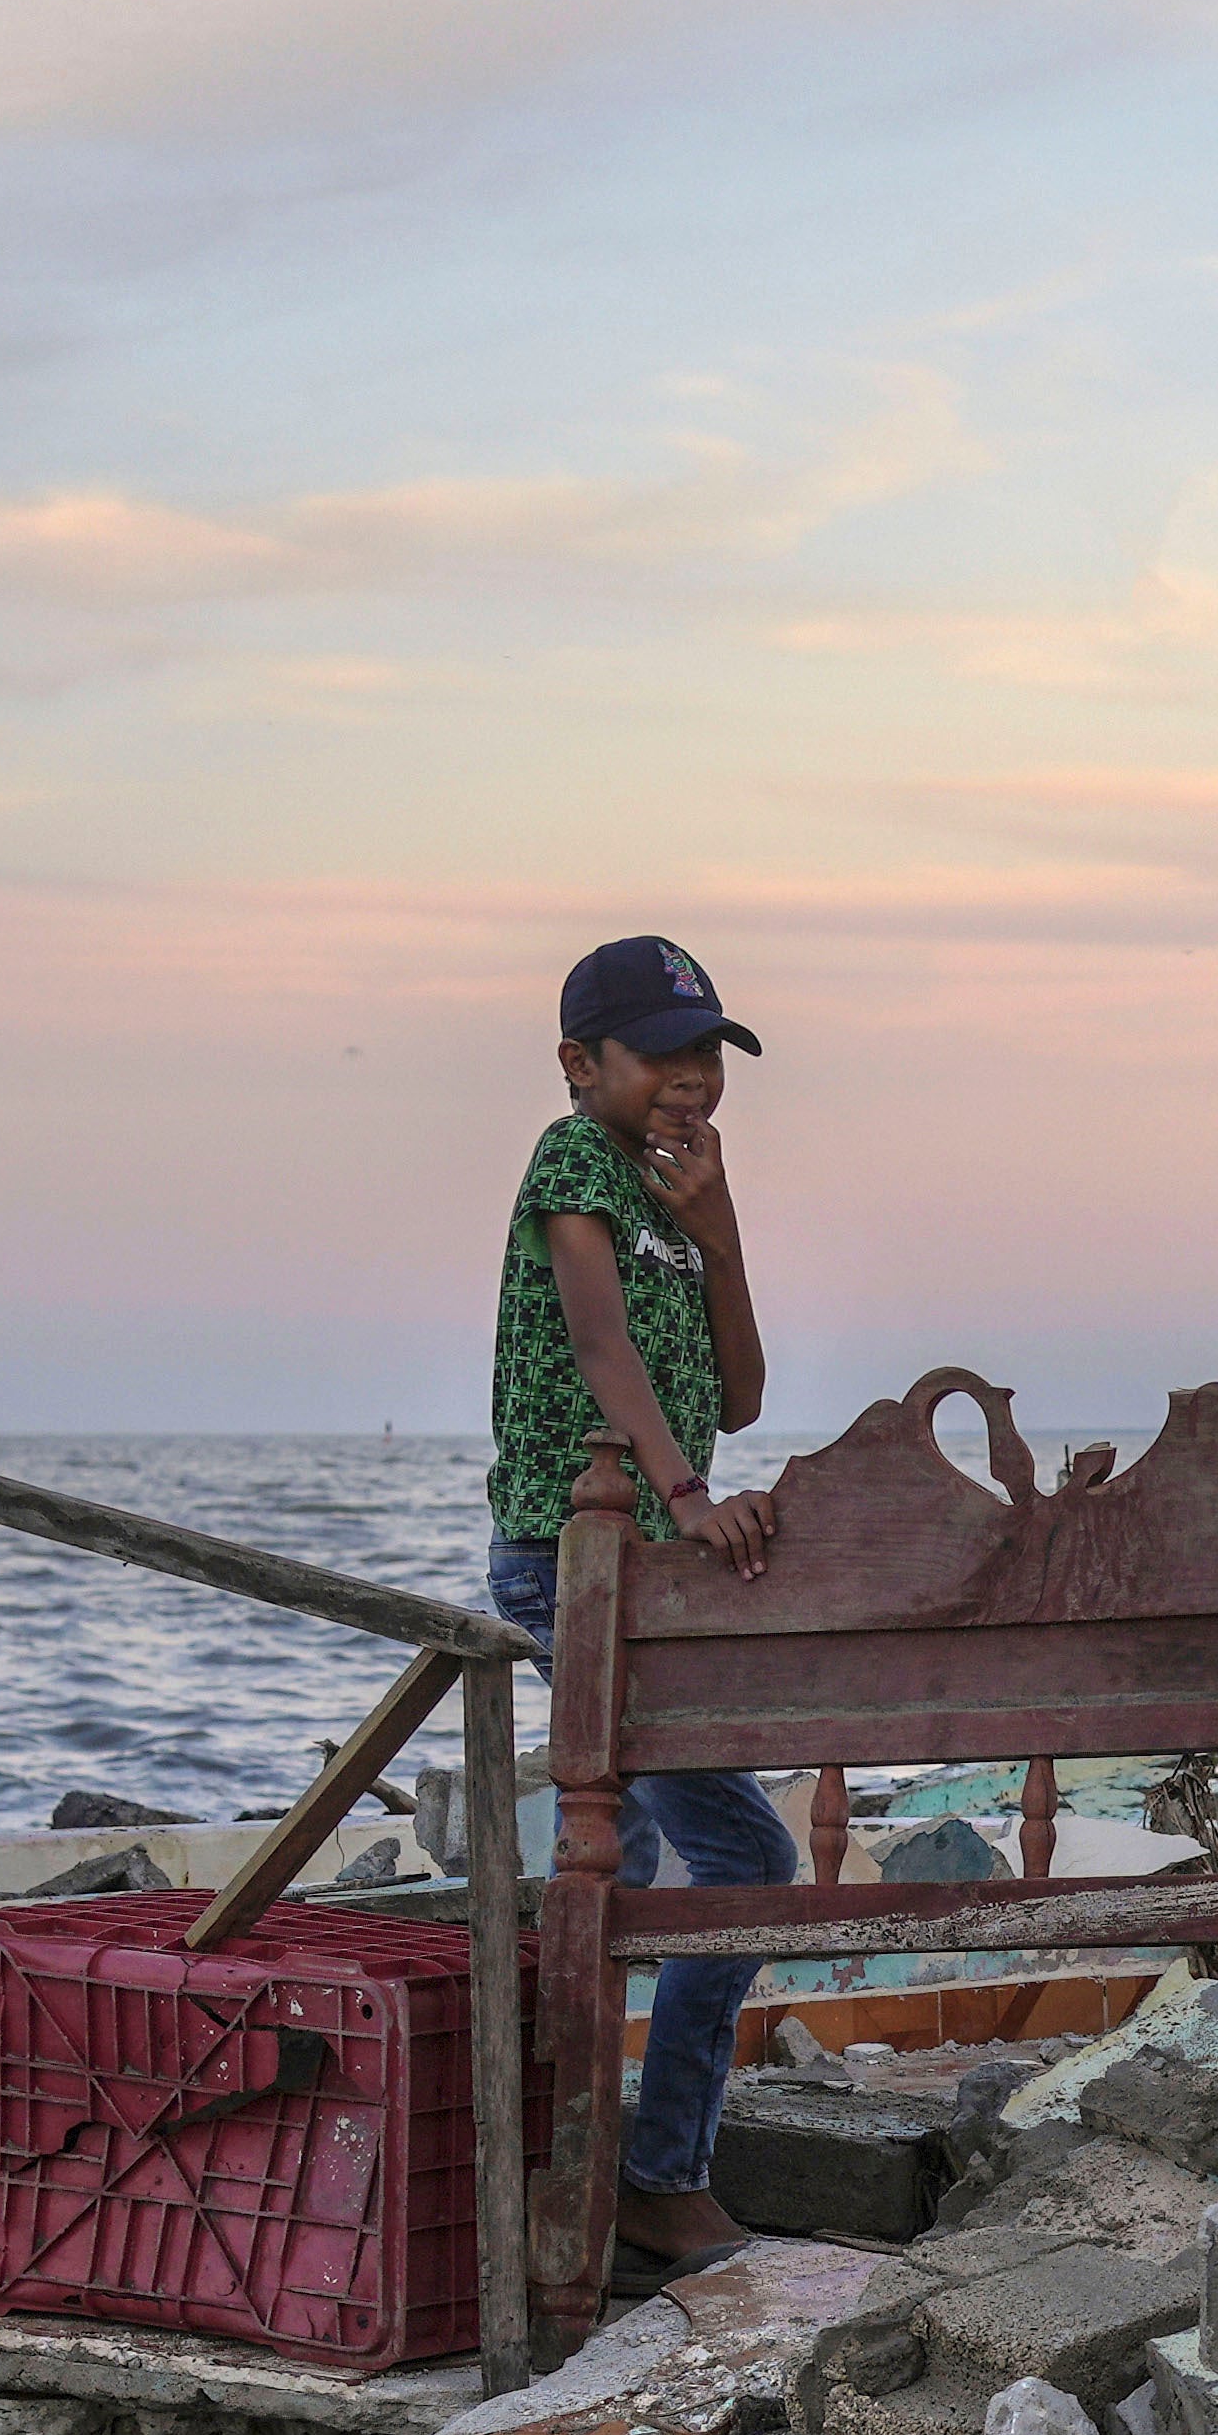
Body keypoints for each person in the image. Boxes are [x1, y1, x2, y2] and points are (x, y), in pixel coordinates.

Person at [490, 933, 802, 2268]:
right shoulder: (573, 1164)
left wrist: (718, 1222)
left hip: (646, 1573)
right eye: (659, 1055)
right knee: (735, 1861)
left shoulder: (670, 1197)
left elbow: (740, 1395)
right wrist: (682, 1498)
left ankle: (619, 2167)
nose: (688, 1081)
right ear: (580, 1064)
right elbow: (605, 1354)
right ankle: (651, 2180)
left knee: (671, 1863)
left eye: (705, 1057)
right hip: (578, 1557)